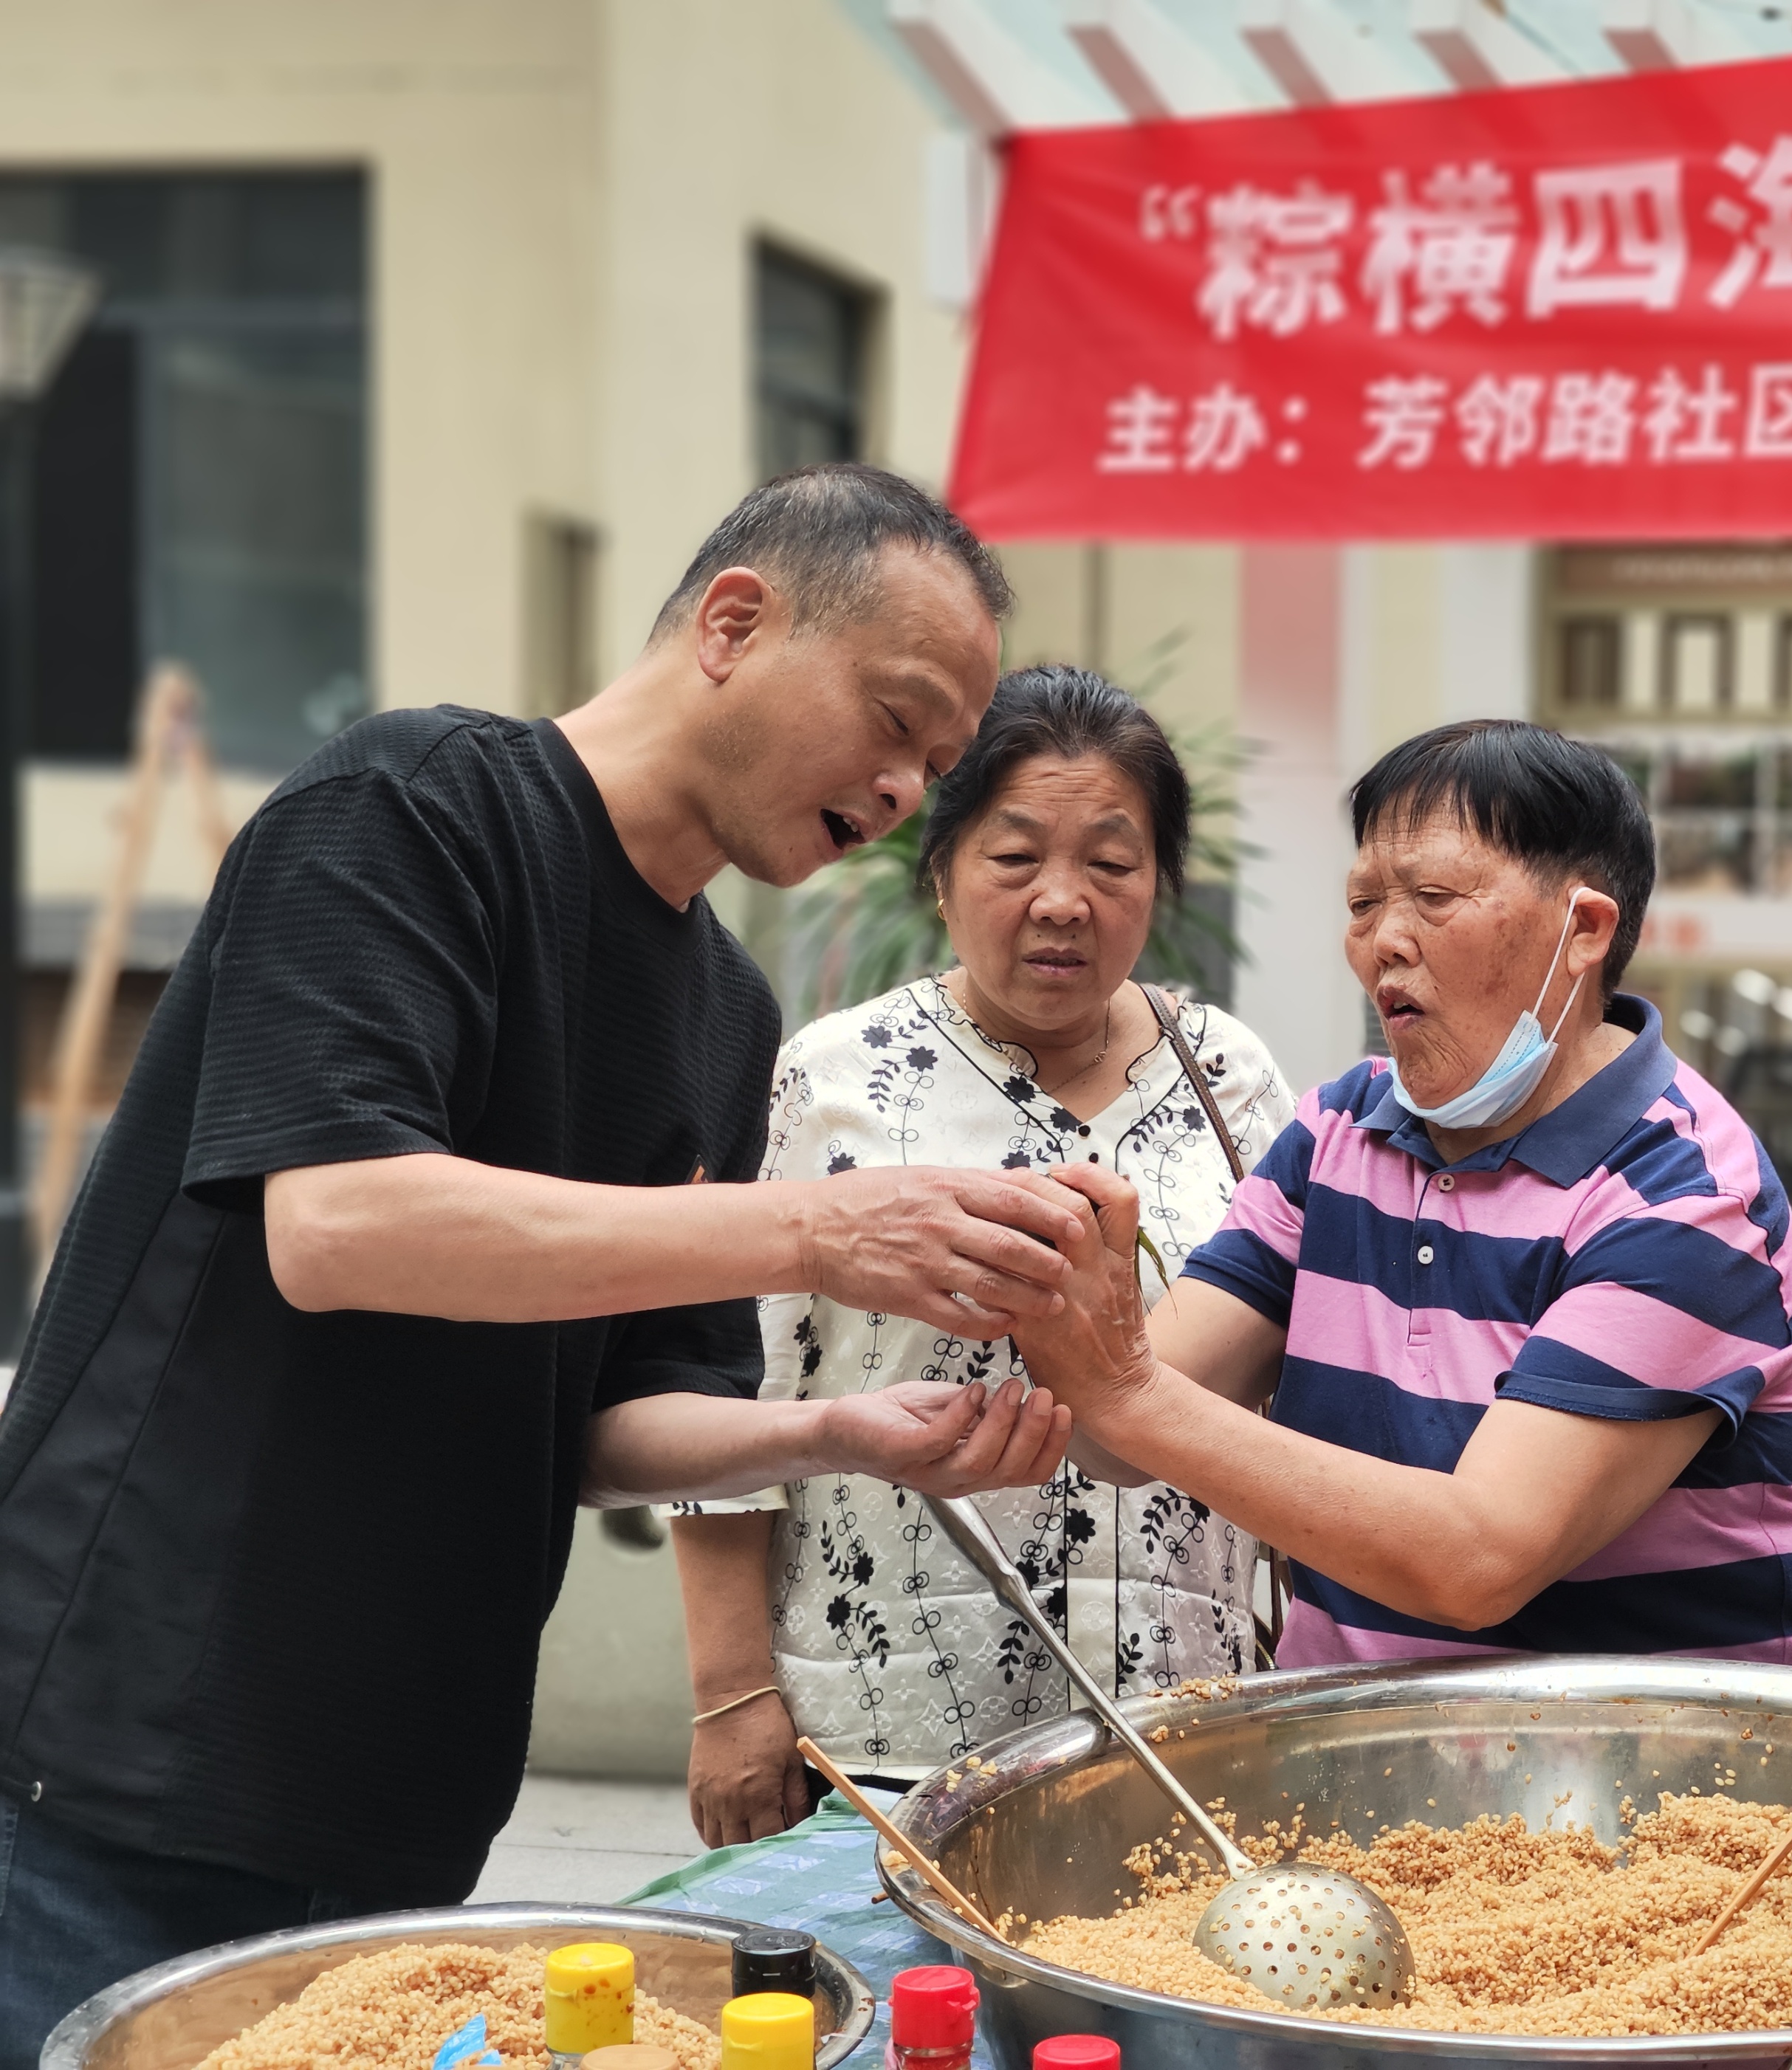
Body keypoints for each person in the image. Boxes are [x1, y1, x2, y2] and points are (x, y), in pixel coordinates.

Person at [0, 464, 1096, 2063]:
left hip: (403, 1794)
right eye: (897, 717)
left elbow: (609, 1418)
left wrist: (835, 1436)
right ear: (734, 622)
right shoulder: (412, 805)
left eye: (937, 761)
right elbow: (342, 1225)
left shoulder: (722, 1010)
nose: (907, 787)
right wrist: (820, 1228)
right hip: (125, 1750)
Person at [1006, 719, 1792, 1666]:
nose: (1382, 942)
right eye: (1363, 902)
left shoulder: (1686, 1197)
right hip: (1357, 1763)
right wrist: (1069, 1315)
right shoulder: (1337, 1133)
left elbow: (1477, 1560)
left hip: (1649, 1783)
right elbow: (1127, 1437)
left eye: (1434, 897)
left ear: (1586, 931)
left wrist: (1124, 1386)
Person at [670, 666, 1293, 1846]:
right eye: (1015, 859)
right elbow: (729, 1387)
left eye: (1111, 864)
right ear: (940, 871)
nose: (1062, 901)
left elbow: (1294, 1378)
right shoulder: (838, 1077)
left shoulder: (1233, 1078)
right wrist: (730, 1695)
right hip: (883, 1739)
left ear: (1156, 884)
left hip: (1183, 1731)